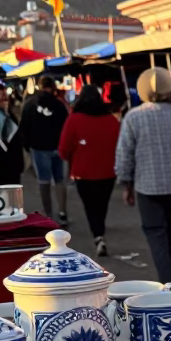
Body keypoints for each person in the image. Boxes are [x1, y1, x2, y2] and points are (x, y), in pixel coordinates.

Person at [115, 66, 171, 283]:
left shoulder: (133, 118)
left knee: (156, 234)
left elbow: (124, 155)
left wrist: (125, 184)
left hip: (147, 188)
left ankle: (168, 280)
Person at [57, 83, 120, 257]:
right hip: (108, 171)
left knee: (90, 206)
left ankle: (98, 236)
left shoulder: (74, 119)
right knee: (102, 204)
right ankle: (99, 231)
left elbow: (63, 148)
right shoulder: (111, 119)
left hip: (83, 172)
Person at [19, 74, 68, 220]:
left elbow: (24, 127)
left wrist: (27, 146)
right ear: (53, 86)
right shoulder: (59, 105)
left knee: (44, 181)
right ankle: (63, 212)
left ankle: (48, 214)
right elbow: (66, 126)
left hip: (39, 148)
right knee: (59, 180)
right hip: (57, 147)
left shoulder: (30, 104)